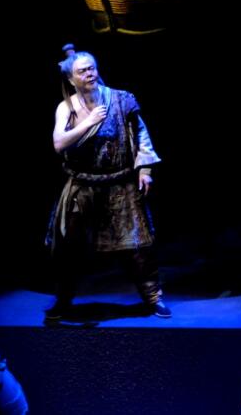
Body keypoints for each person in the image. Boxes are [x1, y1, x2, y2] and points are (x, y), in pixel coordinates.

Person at [44, 44, 169, 320]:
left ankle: (153, 297)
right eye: (82, 71)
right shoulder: (66, 107)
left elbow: (141, 133)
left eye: (92, 68)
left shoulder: (121, 100)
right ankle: (63, 300)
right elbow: (58, 144)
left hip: (120, 184)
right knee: (68, 248)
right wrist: (89, 122)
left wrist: (145, 169)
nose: (89, 73)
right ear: (71, 79)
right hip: (82, 187)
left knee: (138, 246)